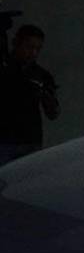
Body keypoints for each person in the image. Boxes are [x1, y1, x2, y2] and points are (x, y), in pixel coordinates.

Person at [0, 25, 60, 164]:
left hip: (30, 141)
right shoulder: (4, 71)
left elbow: (53, 113)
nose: (33, 53)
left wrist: (44, 94)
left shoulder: (41, 75)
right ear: (16, 43)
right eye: (29, 47)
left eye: (37, 49)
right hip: (4, 140)